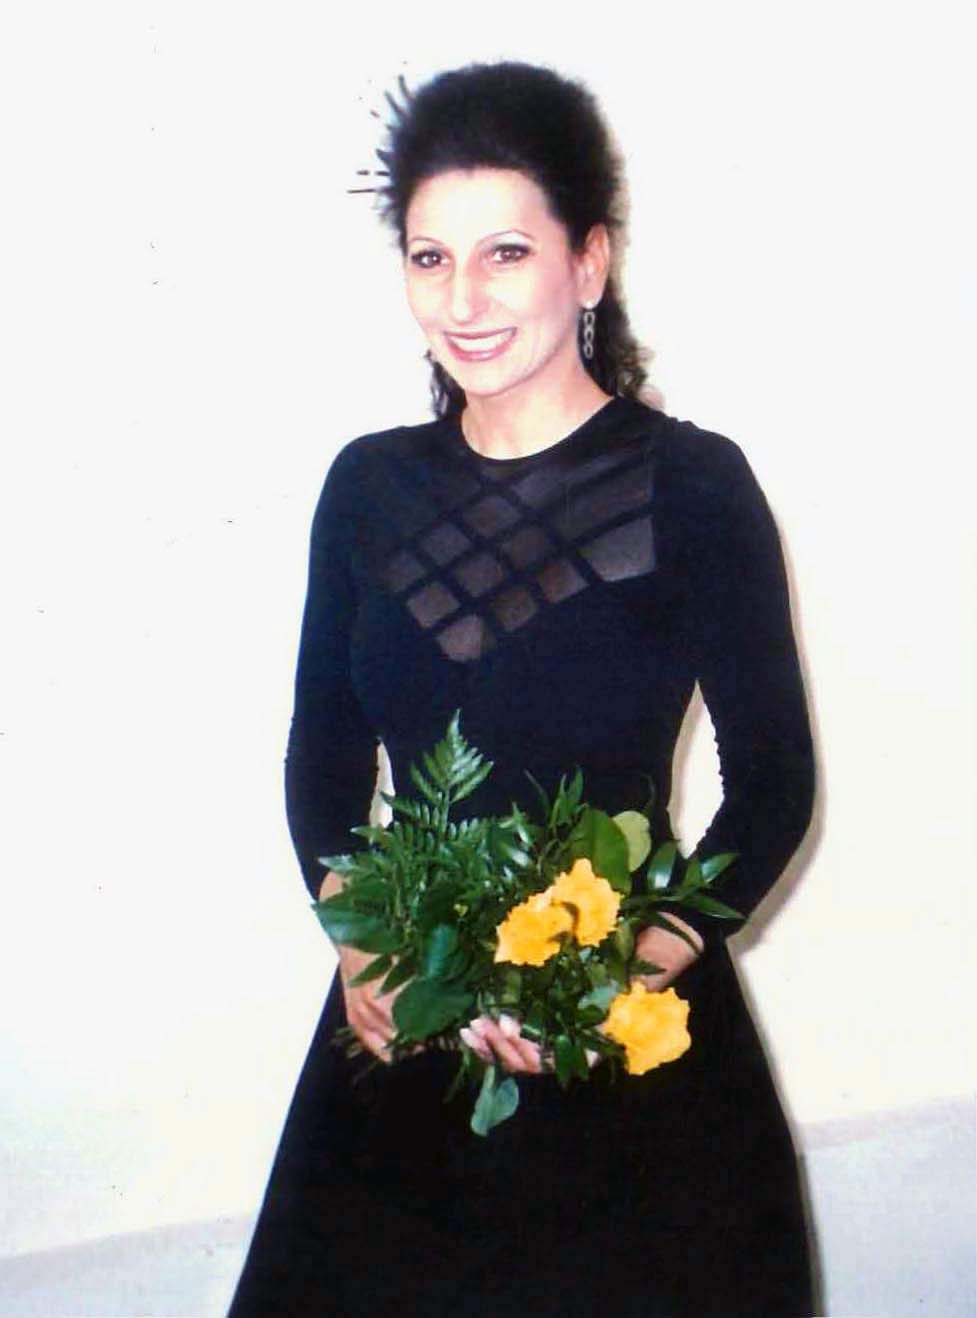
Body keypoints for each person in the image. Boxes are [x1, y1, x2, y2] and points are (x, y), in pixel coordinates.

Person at [227, 60, 817, 1318]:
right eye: (428, 257)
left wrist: (630, 973)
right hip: (408, 1057)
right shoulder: (366, 488)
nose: (463, 298)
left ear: (587, 263)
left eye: (504, 252)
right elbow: (320, 760)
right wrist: (363, 946)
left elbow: (773, 783)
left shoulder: (690, 486)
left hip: (637, 1065)